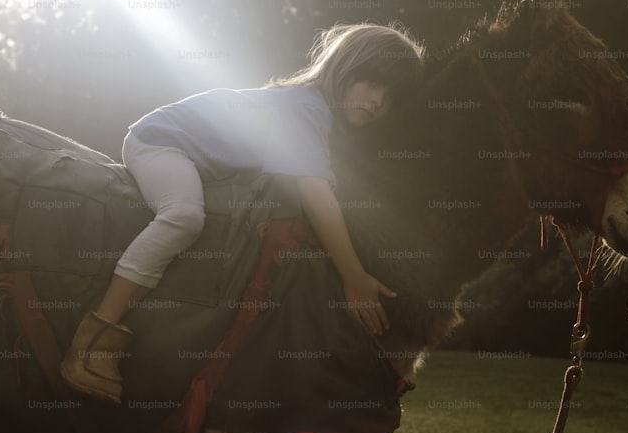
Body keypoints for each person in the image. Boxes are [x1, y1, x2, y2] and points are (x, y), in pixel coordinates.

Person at [61, 22, 425, 403]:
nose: (378, 100)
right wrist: (353, 276)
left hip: (200, 161)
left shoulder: (317, 117)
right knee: (183, 216)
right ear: (344, 70)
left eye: (391, 95)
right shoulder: (306, 108)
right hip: (161, 141)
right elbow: (315, 192)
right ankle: (95, 339)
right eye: (371, 82)